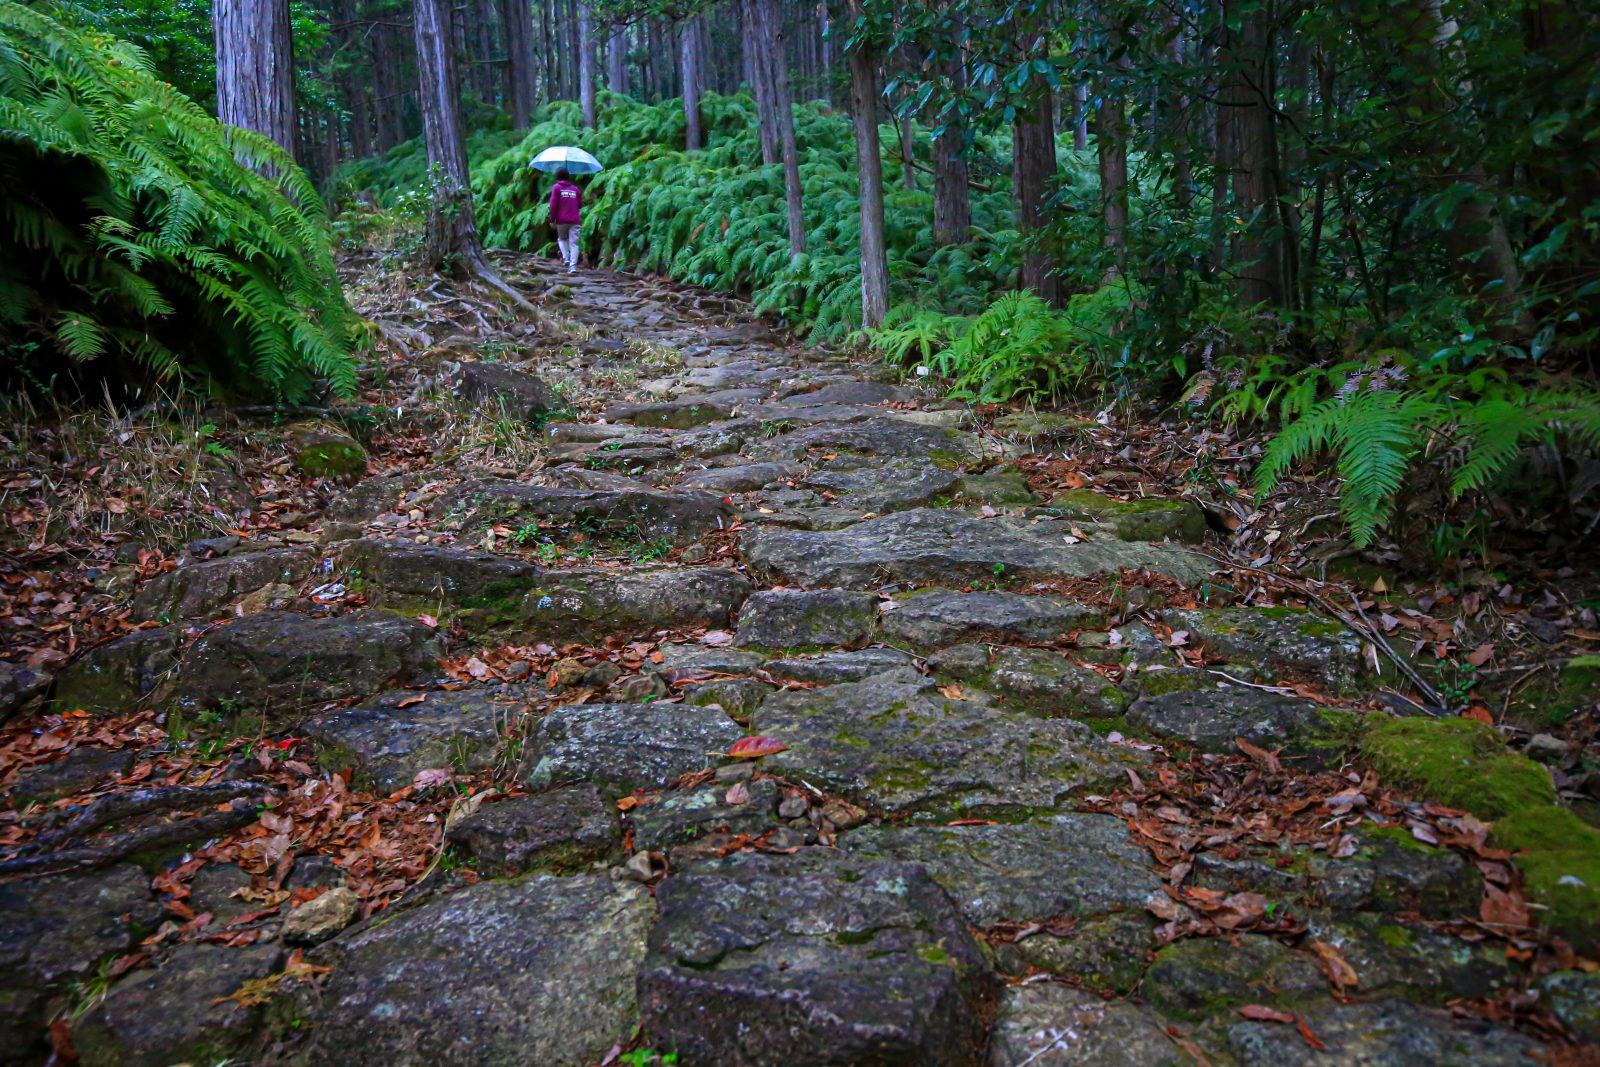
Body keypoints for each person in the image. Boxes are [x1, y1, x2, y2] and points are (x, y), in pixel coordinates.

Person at [548, 167, 583, 273]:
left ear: (557, 177)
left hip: (561, 220)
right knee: (574, 244)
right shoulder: (576, 189)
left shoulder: (556, 187)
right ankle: (573, 266)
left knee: (562, 239)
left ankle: (566, 257)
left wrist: (552, 218)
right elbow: (580, 204)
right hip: (575, 220)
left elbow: (553, 204)